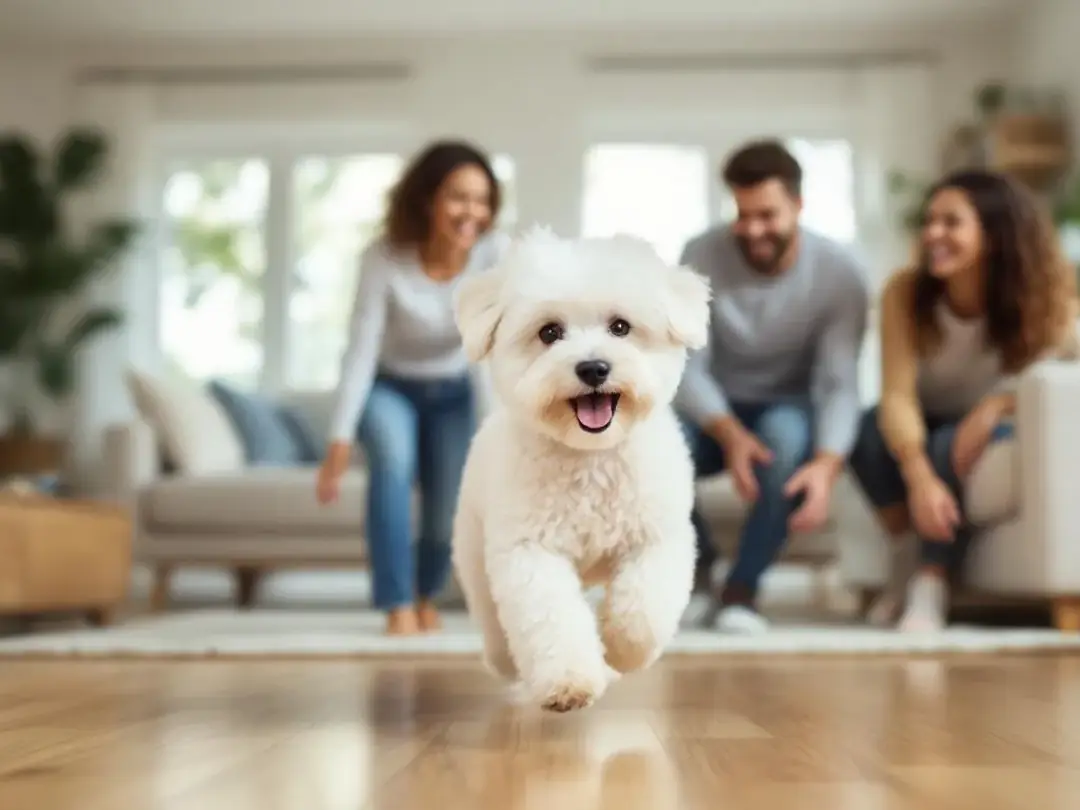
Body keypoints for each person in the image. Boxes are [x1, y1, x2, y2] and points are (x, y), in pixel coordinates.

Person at [848, 169, 1077, 633]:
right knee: (867, 431)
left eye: (951, 223)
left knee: (948, 445)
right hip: (921, 416)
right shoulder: (905, 292)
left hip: (989, 428)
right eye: (930, 221)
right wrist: (919, 478)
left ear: (994, 235)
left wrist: (998, 405)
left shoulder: (1045, 298)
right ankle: (908, 555)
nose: (933, 234)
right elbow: (896, 395)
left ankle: (931, 581)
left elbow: (1064, 370)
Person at [676, 139, 870, 634]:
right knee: (656, 445)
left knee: (783, 447)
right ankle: (697, 570)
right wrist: (729, 434)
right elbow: (689, 367)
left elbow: (838, 383)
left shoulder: (840, 274)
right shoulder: (699, 254)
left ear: (799, 206)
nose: (753, 230)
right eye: (742, 215)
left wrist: (827, 465)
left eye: (767, 215)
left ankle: (742, 591)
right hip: (716, 405)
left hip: (788, 404)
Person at [315, 139, 507, 636]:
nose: (473, 212)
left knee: (448, 505)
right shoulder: (384, 257)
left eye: (482, 200)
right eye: (458, 197)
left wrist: (493, 437)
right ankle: (396, 601)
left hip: (454, 391)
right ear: (427, 200)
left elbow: (488, 352)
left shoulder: (493, 256)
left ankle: (425, 594)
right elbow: (359, 350)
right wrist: (338, 438)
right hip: (391, 389)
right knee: (393, 466)